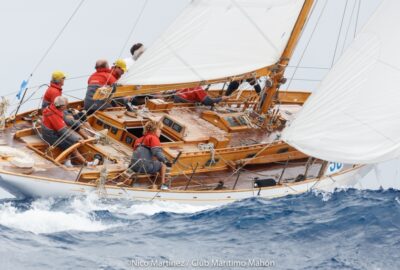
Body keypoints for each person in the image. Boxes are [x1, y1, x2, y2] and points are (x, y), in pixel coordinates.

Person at [119, 120, 171, 189]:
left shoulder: (138, 140)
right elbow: (157, 152)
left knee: (155, 162)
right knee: (163, 164)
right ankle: (163, 185)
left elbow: (138, 153)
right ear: (154, 129)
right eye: (160, 129)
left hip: (133, 166)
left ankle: (128, 181)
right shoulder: (153, 138)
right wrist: (166, 161)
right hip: (145, 167)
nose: (161, 131)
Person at [41, 96, 89, 165]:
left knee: (71, 140)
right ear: (62, 107)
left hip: (53, 132)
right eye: (66, 105)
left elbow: (66, 119)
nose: (67, 107)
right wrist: (77, 139)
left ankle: (68, 161)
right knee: (70, 145)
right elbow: (63, 131)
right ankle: (86, 163)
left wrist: (77, 123)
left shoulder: (53, 108)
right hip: (51, 136)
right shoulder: (53, 116)